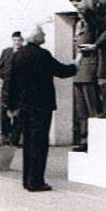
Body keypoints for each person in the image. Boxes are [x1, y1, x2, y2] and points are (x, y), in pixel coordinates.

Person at [8, 24, 78, 192]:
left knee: (28, 142)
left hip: (24, 105)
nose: (44, 34)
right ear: (35, 37)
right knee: (40, 143)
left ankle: (27, 180)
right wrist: (76, 64)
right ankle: (36, 181)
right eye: (42, 32)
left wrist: (11, 105)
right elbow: (62, 71)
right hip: (41, 105)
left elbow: (12, 83)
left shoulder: (18, 55)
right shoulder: (43, 54)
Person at [68, 0, 106, 116]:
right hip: (104, 51)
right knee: (104, 84)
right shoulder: (87, 12)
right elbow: (93, 31)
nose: (77, 9)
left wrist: (95, 45)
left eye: (77, 5)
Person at [72, 13, 100, 153]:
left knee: (92, 109)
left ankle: (94, 140)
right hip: (79, 70)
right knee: (81, 110)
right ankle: (84, 140)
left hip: (89, 69)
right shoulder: (79, 25)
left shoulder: (93, 26)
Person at [0, 31, 24, 144]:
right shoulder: (6, 52)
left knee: (19, 112)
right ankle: (5, 136)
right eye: (15, 40)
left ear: (22, 41)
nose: (17, 42)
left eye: (19, 40)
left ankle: (15, 139)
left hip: (20, 87)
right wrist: (6, 77)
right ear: (12, 40)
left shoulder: (24, 52)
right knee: (4, 112)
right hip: (7, 87)